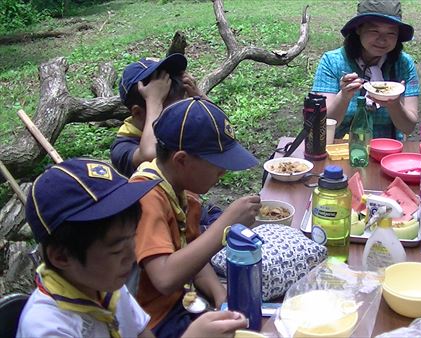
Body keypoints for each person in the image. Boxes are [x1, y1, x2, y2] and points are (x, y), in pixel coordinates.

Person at [16, 158, 249, 338]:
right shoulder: (48, 329)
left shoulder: (105, 287)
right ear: (61, 256)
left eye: (132, 238)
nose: (132, 254)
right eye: (117, 249)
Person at [130, 97, 262, 338]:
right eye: (218, 164)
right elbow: (165, 277)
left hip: (183, 304)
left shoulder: (183, 191)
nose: (224, 172)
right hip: (154, 321)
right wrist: (225, 225)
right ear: (181, 160)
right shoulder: (146, 196)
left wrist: (219, 295)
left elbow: (192, 255)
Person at [311, 0, 420, 140]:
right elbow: (322, 126)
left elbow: (408, 127)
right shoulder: (332, 62)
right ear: (358, 29)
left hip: (387, 150)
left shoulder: (403, 63)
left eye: (391, 33)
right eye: (374, 31)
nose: (382, 40)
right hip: (341, 150)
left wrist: (394, 104)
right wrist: (344, 97)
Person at [111, 53, 206, 177]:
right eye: (170, 111)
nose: (179, 115)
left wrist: (200, 98)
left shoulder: (177, 127)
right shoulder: (122, 147)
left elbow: (221, 131)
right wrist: (154, 101)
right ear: (138, 112)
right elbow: (151, 155)